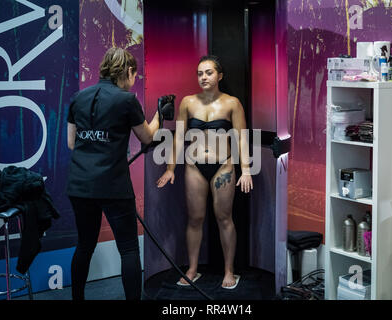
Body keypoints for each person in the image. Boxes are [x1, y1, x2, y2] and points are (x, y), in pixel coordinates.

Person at [66, 47, 163, 300]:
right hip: (113, 185)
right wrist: (160, 115)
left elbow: (71, 143)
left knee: (84, 245)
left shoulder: (78, 98)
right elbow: (147, 136)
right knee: (129, 248)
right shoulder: (126, 100)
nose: (134, 81)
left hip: (80, 185)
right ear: (129, 71)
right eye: (134, 75)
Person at [156, 55, 253, 289]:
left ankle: (229, 270)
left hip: (224, 166)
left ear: (219, 76)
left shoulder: (232, 103)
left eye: (208, 72)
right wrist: (170, 168)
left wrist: (246, 170)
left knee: (224, 218)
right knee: (195, 218)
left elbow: (241, 138)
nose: (203, 77)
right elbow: (178, 137)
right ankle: (192, 268)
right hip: (194, 166)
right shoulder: (188, 102)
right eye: (200, 73)